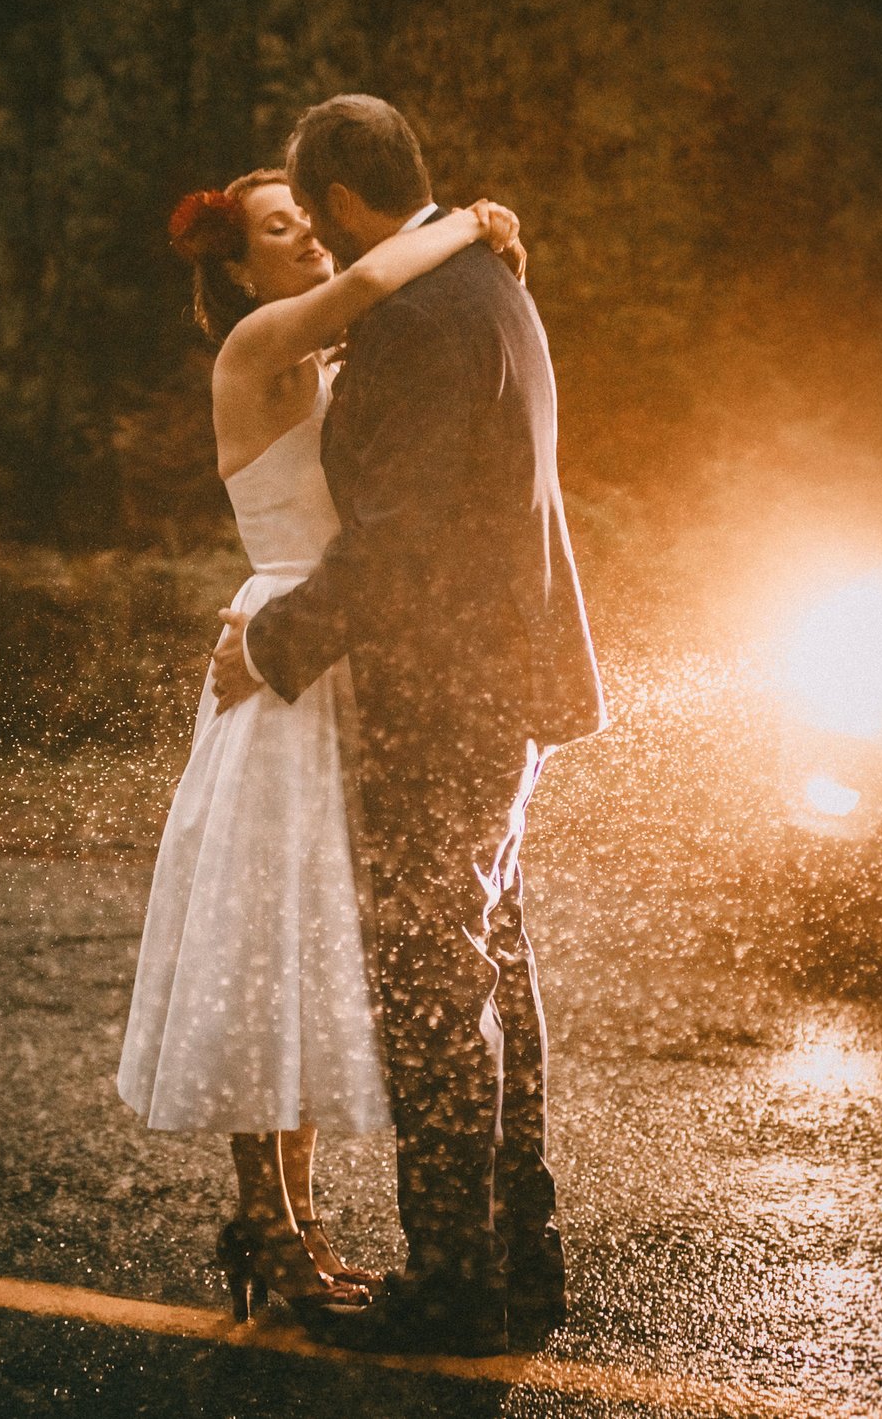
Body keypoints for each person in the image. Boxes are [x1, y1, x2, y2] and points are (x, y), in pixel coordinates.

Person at [208, 95, 608, 1356]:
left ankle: (456, 1288)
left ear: (334, 201)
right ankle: (516, 1261)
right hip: (500, 678)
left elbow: (398, 545)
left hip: (449, 692)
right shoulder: (488, 282)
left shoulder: (421, 321)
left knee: (436, 987)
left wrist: (270, 644)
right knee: (492, 968)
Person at [117, 166, 524, 1333]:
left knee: (315, 946)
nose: (307, 242)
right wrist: (466, 224)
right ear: (240, 265)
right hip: (280, 657)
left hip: (340, 652)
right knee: (266, 939)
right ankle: (265, 1221)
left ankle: (299, 1220)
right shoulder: (254, 345)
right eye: (281, 229)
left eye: (311, 220)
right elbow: (379, 271)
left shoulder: (342, 359)